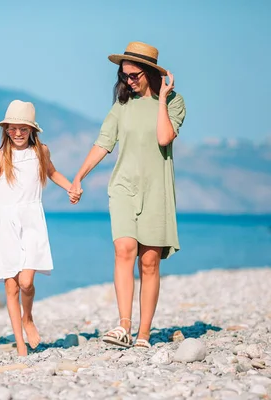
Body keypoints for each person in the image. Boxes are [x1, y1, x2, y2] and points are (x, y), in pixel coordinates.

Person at [69, 42, 187, 348]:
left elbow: (164, 137)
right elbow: (103, 144)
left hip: (156, 190)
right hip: (123, 187)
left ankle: (144, 334)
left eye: (134, 75)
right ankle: (123, 326)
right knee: (124, 249)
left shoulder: (174, 103)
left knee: (149, 263)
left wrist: (161, 99)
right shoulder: (120, 107)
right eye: (124, 76)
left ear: (149, 72)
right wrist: (79, 177)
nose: (129, 81)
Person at [0, 100, 74, 356]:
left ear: (32, 129)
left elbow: (52, 173)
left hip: (33, 220)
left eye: (23, 128)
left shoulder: (41, 151)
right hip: (6, 224)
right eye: (13, 128)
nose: (18, 133)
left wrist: (70, 188)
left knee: (27, 282)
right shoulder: (0, 157)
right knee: (11, 286)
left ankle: (28, 317)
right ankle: (21, 345)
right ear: (6, 130)